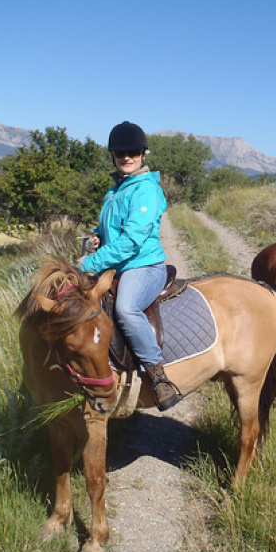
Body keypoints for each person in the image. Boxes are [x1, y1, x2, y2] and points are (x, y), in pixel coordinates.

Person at [79, 121, 183, 411]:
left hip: (144, 266)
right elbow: (105, 230)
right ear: (112, 155)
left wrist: (90, 262)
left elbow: (131, 242)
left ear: (143, 154)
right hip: (115, 266)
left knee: (126, 308)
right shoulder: (113, 192)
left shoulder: (146, 191)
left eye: (133, 153)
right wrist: (97, 238)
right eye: (121, 153)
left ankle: (158, 376)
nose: (127, 158)